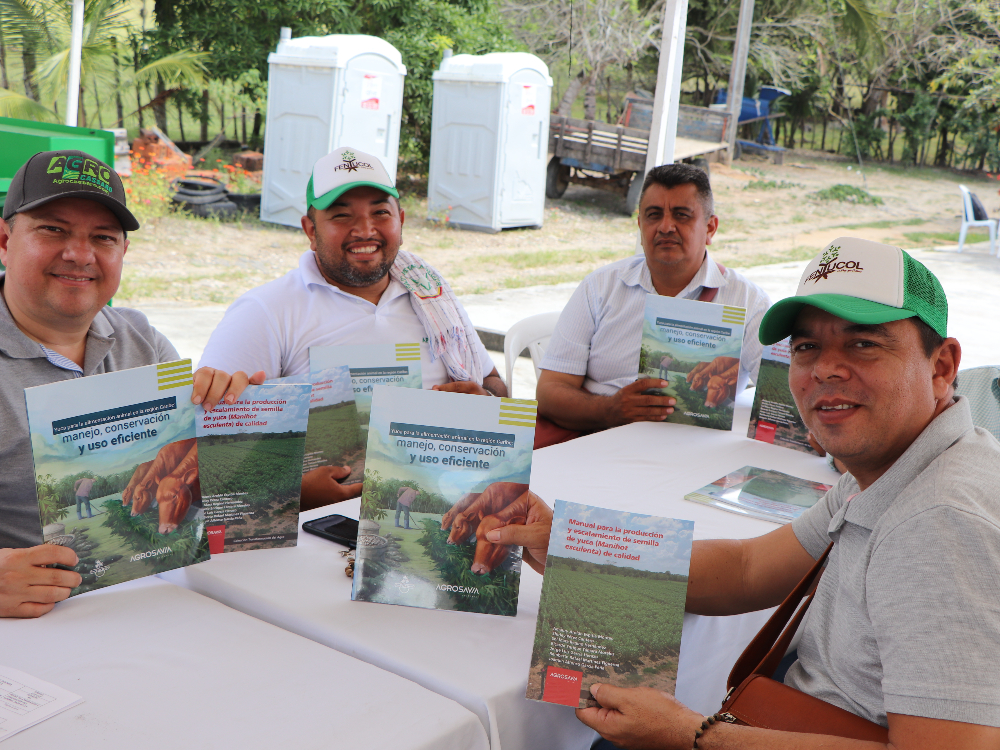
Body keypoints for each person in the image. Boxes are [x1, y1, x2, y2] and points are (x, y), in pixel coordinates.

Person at [491, 238, 1000, 749]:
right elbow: (747, 570)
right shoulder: (892, 467)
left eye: (863, 343)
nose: (825, 369)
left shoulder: (939, 522)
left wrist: (688, 734)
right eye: (807, 347)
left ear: (942, 367)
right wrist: (572, 544)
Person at [0, 150, 260, 619]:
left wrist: (233, 416)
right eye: (53, 230)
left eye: (103, 238)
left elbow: (209, 482)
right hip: (32, 629)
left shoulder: (142, 341)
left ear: (122, 253)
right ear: (4, 239)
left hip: (156, 601)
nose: (80, 255)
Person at [199, 147, 506, 508]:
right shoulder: (264, 312)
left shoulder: (431, 293)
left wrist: (486, 405)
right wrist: (294, 493)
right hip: (317, 525)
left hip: (445, 500)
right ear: (310, 230)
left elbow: (494, 384)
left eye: (380, 212)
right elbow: (211, 456)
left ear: (401, 222)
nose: (365, 230)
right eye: (342, 216)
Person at [536, 163, 770, 433]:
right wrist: (610, 409)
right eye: (653, 215)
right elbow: (549, 391)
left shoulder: (748, 302)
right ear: (639, 224)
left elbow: (783, 395)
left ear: (710, 228)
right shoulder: (600, 287)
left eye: (682, 215)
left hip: (696, 452)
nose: (666, 226)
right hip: (599, 440)